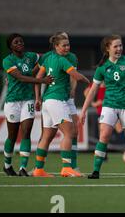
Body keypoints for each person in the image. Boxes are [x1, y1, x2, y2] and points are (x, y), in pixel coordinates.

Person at [79, 35, 125, 179]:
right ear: (108, 49)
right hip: (109, 106)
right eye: (116, 46)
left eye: (120, 45)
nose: (119, 48)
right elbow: (92, 90)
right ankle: (96, 171)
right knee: (104, 135)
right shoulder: (102, 68)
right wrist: (83, 111)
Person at [32, 33, 90, 177]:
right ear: (56, 46)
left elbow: (38, 78)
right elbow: (76, 76)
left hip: (48, 101)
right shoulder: (62, 60)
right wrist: (89, 82)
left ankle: (39, 169)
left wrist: (38, 98)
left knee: (47, 136)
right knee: (69, 133)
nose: (67, 47)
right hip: (57, 100)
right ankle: (66, 167)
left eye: (68, 44)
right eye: (63, 45)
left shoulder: (49, 59)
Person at [2, 34, 54, 176]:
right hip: (13, 101)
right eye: (16, 42)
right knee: (12, 136)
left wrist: (55, 46)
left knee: (26, 133)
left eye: (21, 41)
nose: (20, 43)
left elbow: (44, 57)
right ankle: (7, 165)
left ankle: (23, 168)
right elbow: (20, 77)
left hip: (28, 100)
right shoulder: (8, 60)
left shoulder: (30, 56)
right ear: (10, 46)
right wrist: (42, 80)